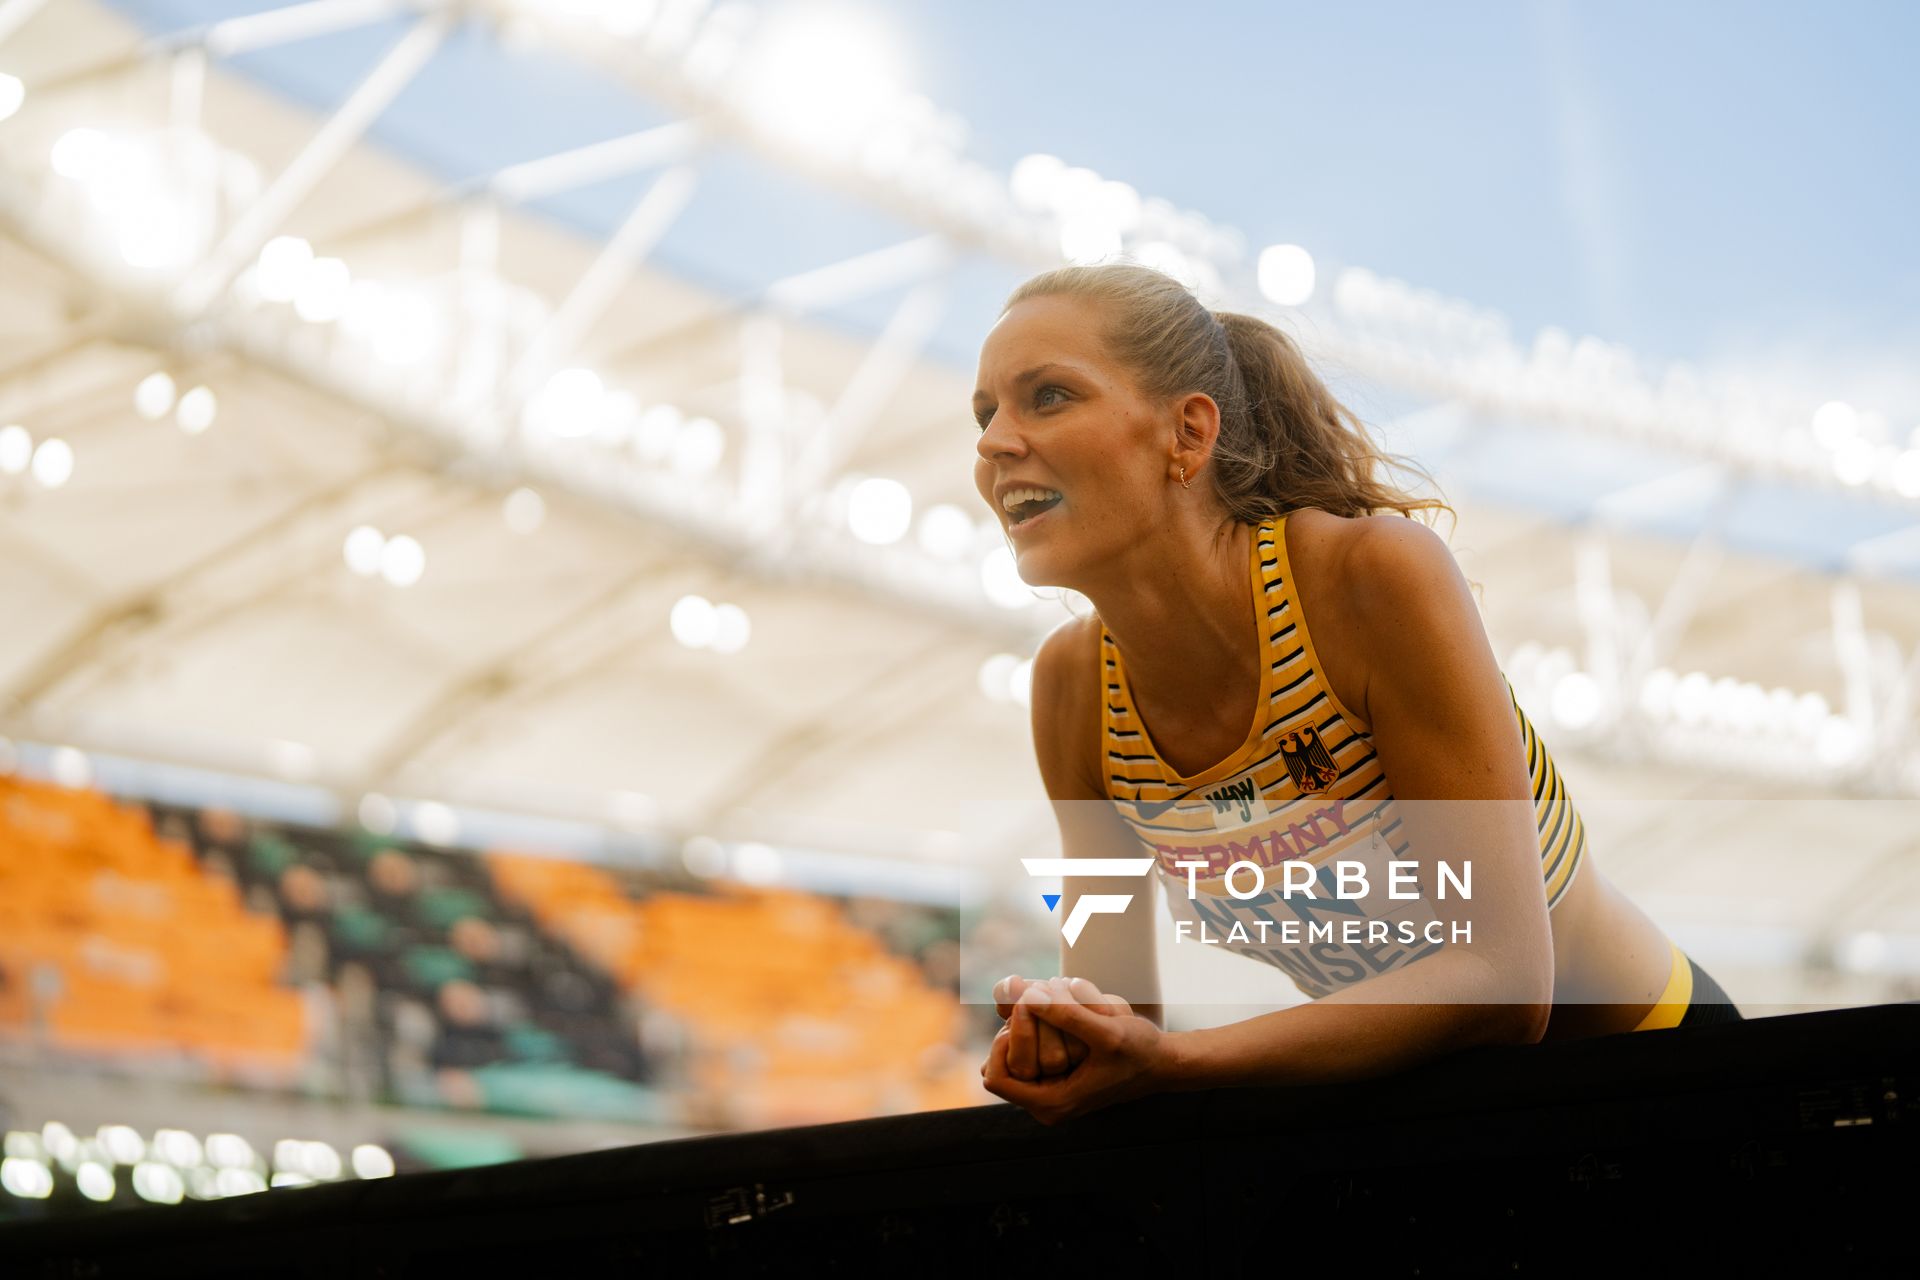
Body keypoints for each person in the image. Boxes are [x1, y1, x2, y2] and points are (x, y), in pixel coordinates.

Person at [970, 262, 1740, 1127]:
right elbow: (1116, 1008)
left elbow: (1506, 982)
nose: (995, 441)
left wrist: (1178, 1062)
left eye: (1048, 397)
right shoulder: (1070, 693)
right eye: (985, 413)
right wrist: (1068, 1031)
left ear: (1187, 433)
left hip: (1660, 1076)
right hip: (1409, 1125)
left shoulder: (1369, 578)